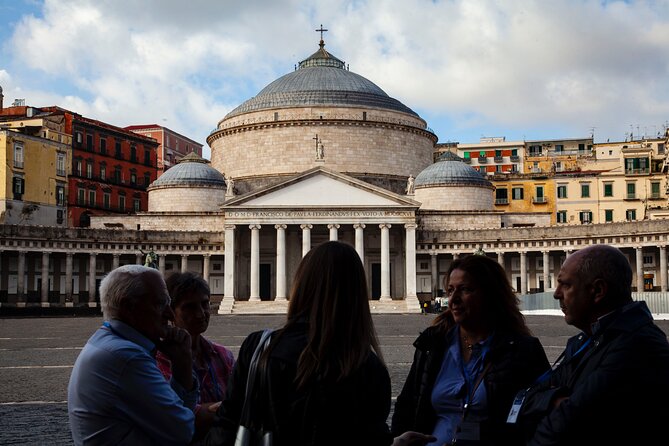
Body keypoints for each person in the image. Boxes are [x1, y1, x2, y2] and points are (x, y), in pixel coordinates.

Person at [205, 241, 434, 446]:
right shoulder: (368, 367)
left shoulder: (259, 348)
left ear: (301, 284)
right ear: (356, 291)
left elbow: (226, 425)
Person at [515, 244, 669, 445]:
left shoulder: (637, 346)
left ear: (597, 290)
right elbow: (527, 397)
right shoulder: (584, 341)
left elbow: (565, 425)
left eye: (566, 285)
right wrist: (556, 400)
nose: (556, 293)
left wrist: (554, 403)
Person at [391, 254, 550, 446]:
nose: (454, 299)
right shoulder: (432, 344)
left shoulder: (523, 350)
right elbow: (406, 404)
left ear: (490, 294)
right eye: (450, 291)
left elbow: (545, 415)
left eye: (465, 289)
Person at [68, 264, 198, 445]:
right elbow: (183, 430)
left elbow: (173, 416)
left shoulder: (106, 342)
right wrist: (184, 364)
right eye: (161, 304)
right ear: (129, 307)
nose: (170, 314)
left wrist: (181, 365)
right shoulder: (127, 358)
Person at [157, 272, 235, 443]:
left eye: (205, 304)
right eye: (189, 307)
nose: (201, 314)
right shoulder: (156, 361)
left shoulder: (223, 356)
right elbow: (175, 416)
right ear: (170, 312)